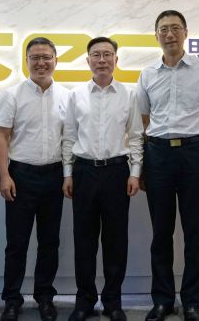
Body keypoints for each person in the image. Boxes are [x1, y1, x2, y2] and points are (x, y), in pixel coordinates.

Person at [136, 10, 199, 321]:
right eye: (163, 29)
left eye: (175, 28)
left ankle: (191, 302)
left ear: (186, 32)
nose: (169, 34)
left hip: (194, 154)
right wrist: (141, 165)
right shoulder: (147, 74)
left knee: (194, 232)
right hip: (158, 154)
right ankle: (162, 300)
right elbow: (143, 121)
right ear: (156, 36)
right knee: (160, 233)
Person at [62, 37, 144, 321]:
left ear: (116, 60)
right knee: (84, 240)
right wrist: (68, 174)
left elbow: (136, 136)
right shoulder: (76, 95)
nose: (102, 60)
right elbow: (69, 137)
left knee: (115, 240)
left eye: (107, 54)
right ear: (88, 61)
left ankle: (112, 301)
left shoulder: (128, 95)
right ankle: (84, 301)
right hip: (84, 172)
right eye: (96, 55)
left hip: (116, 172)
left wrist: (135, 173)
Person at [0, 37, 71, 321]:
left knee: (49, 242)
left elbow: (69, 139)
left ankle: (44, 297)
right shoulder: (12, 95)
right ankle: (11, 300)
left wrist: (67, 174)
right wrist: (4, 176)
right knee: (16, 243)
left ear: (55, 60)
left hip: (53, 175)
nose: (41, 63)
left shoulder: (67, 96)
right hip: (20, 175)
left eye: (46, 57)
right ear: (26, 61)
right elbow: (1, 136)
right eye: (35, 57)